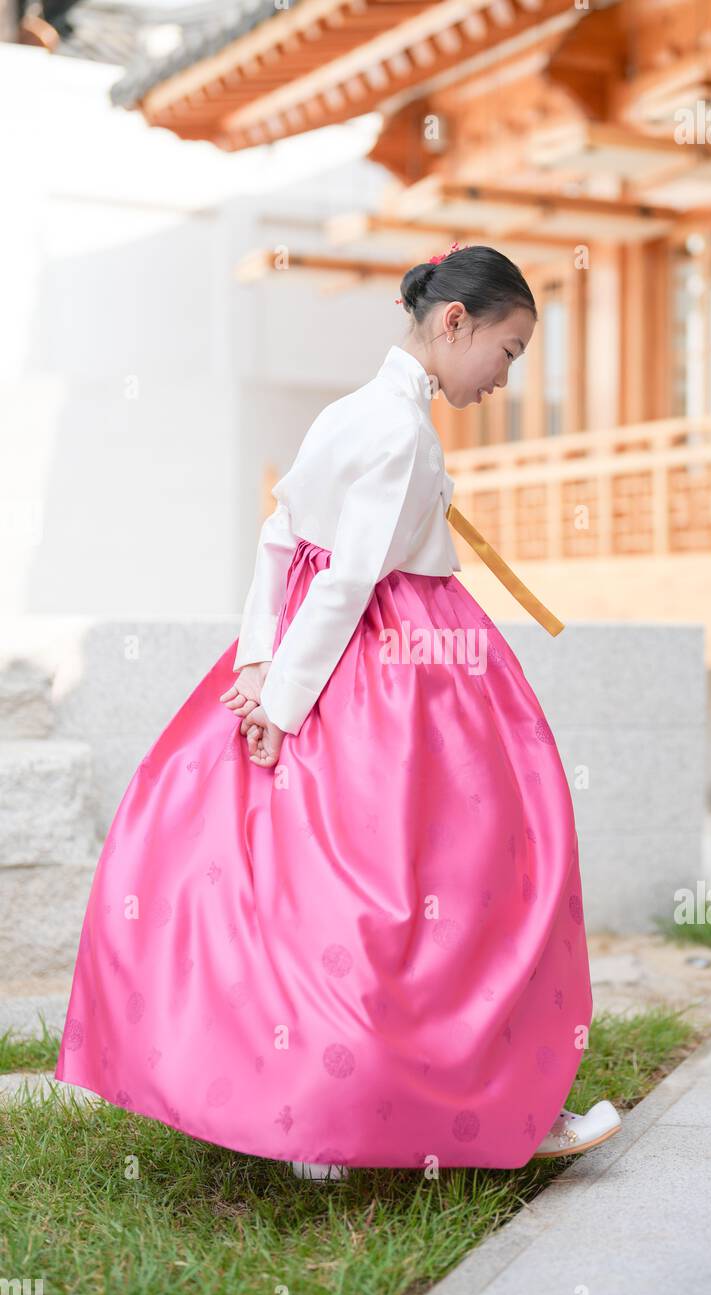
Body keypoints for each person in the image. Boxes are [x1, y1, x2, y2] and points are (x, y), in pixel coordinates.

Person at [54, 243, 620, 1181]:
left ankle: (322, 1111)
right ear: (456, 322)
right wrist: (280, 702)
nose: (503, 378)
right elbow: (351, 579)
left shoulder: (345, 413)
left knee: (303, 889)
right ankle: (483, 1099)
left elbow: (280, 543)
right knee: (470, 874)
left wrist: (259, 663)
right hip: (399, 671)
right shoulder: (404, 433)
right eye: (508, 351)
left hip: (312, 655)